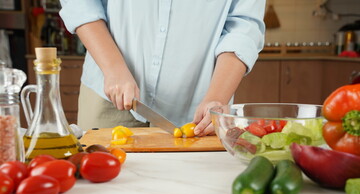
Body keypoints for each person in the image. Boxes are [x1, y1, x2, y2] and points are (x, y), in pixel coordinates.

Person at [59, 0, 266, 136]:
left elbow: (244, 27)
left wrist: (217, 98)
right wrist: (113, 68)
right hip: (108, 96)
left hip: (198, 111)